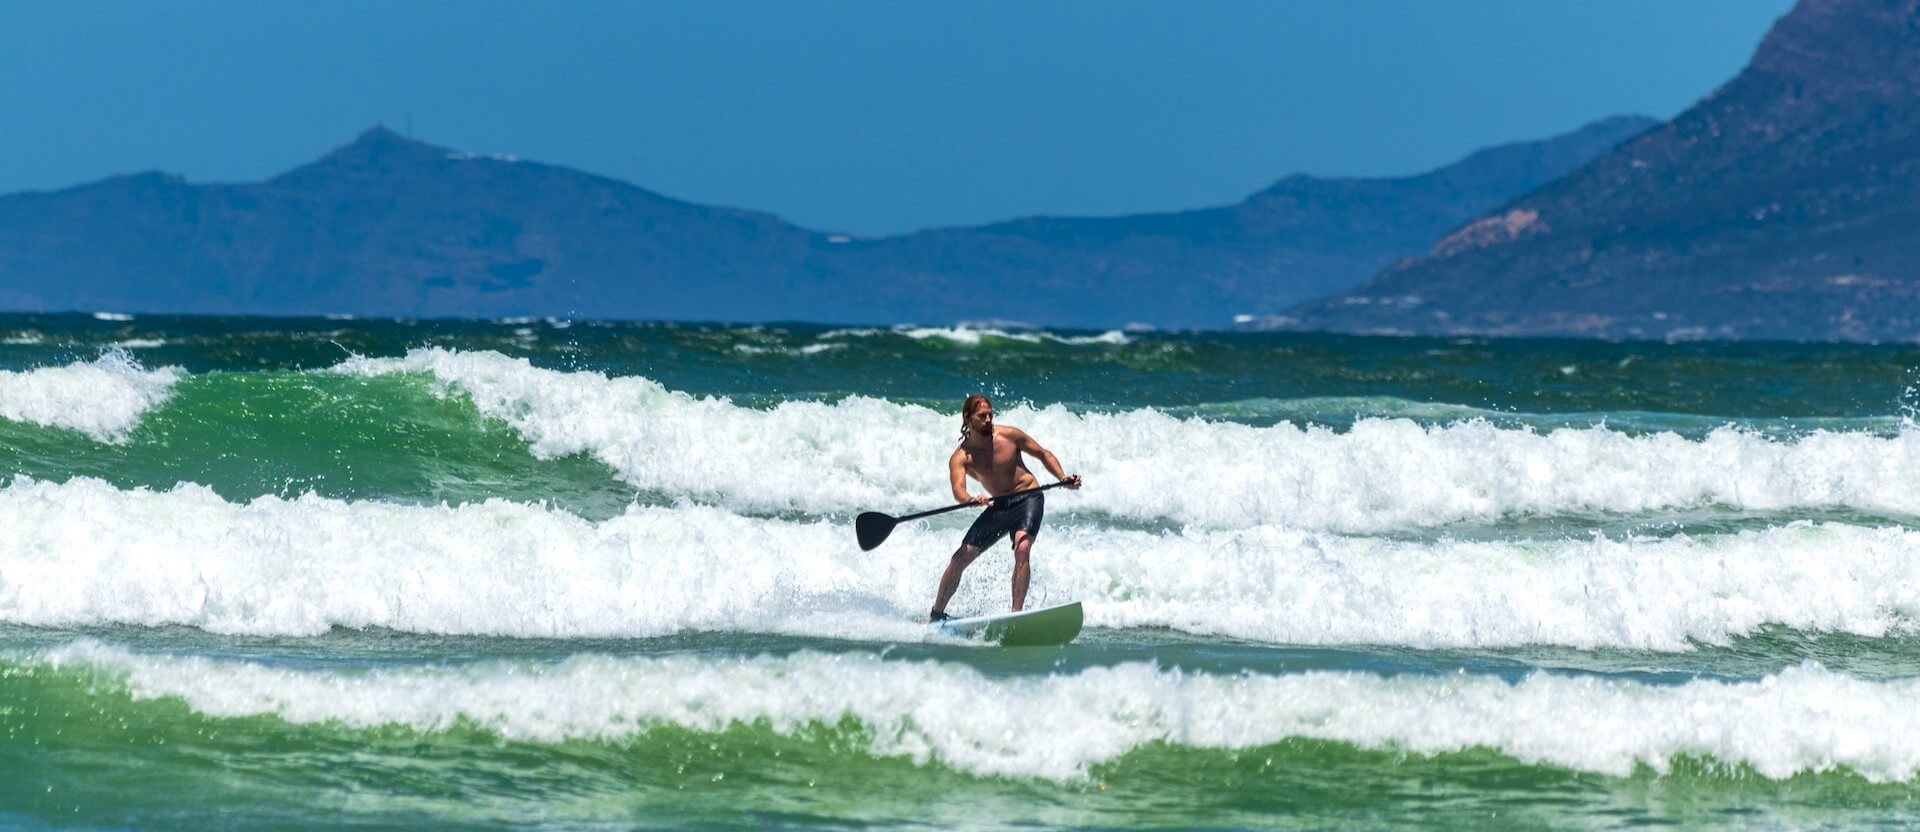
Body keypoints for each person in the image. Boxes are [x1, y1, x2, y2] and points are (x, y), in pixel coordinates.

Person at [928, 394, 1082, 622]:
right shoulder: (960, 457)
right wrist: (970, 499)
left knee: (1022, 548)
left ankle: (1015, 616)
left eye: (990, 415)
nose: (988, 420)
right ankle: (936, 614)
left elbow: (1043, 454)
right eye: (982, 416)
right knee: (960, 558)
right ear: (968, 418)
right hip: (999, 505)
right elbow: (958, 489)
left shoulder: (1009, 436)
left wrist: (1062, 477)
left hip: (1029, 497)